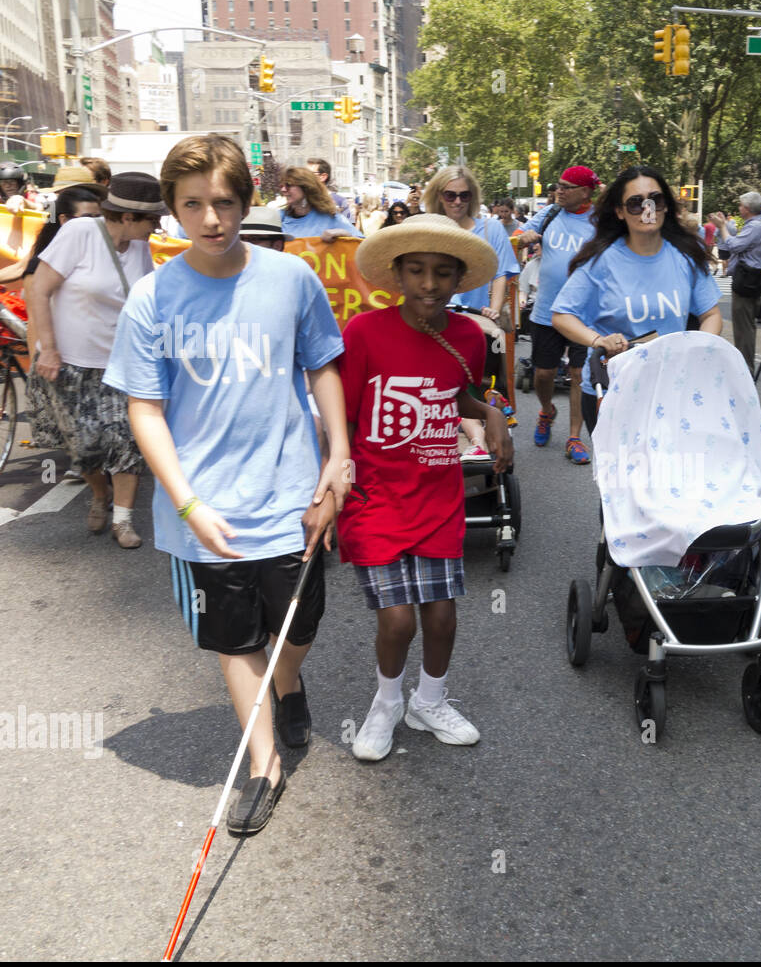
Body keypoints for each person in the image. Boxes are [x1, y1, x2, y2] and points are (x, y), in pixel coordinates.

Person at [104, 134, 351, 835]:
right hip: (205, 512)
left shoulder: (292, 279)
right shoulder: (152, 298)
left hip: (292, 495)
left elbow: (323, 365)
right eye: (191, 204)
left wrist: (339, 455)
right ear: (170, 210)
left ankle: (291, 680)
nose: (209, 218)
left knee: (299, 623)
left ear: (246, 200)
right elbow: (144, 408)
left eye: (222, 201)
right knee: (235, 638)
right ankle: (264, 762)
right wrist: (183, 501)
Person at [340, 215, 512, 761]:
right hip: (376, 496)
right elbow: (341, 416)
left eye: (442, 273)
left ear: (461, 278)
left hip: (438, 493)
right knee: (396, 619)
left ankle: (429, 700)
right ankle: (387, 701)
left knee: (441, 614)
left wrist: (490, 413)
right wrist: (331, 485)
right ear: (397, 275)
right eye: (416, 271)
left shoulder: (467, 335)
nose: (429, 284)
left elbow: (454, 395)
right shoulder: (363, 333)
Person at [26, 172, 162, 548]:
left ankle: (123, 520)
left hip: (122, 365)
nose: (158, 226)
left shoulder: (140, 248)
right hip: (70, 363)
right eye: (152, 218)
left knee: (126, 443)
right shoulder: (80, 234)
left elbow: (146, 303)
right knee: (85, 449)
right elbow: (39, 289)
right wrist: (49, 349)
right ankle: (99, 494)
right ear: (128, 217)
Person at [551, 165, 722, 435]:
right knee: (625, 476)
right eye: (635, 203)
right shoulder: (601, 261)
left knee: (669, 473)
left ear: (666, 206)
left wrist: (698, 349)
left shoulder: (686, 257)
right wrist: (599, 341)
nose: (648, 209)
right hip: (612, 389)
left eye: (656, 200)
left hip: (672, 387)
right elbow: (561, 316)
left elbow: (710, 315)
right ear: (619, 212)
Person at [515, 165, 600, 463]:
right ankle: (546, 410)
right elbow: (524, 233)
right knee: (543, 374)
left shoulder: (600, 222)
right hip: (547, 311)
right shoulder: (550, 213)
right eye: (558, 185)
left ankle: (575, 437)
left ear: (585, 192)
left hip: (583, 312)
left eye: (566, 187)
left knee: (579, 374)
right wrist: (524, 237)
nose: (559, 191)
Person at [423, 165, 518, 329]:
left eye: (464, 195)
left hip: (479, 323)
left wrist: (492, 314)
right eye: (450, 195)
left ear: (472, 197)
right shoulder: (428, 231)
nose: (457, 202)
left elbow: (500, 275)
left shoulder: (492, 229)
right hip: (436, 324)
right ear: (439, 196)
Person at [709, 191, 761, 372]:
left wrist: (722, 228)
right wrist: (725, 226)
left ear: (748, 208)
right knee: (746, 326)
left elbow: (734, 245)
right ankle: (744, 366)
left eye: (741, 205)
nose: (739, 208)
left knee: (743, 328)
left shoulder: (755, 226)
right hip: (752, 279)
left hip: (747, 281)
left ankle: (744, 369)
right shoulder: (758, 225)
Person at [279, 166, 363, 241]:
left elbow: (361, 243)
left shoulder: (331, 217)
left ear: (306, 188)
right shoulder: (279, 217)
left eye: (288, 185)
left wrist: (345, 234)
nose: (283, 189)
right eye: (281, 186)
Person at [307, 157, 354, 223]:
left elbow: (351, 229)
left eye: (309, 173)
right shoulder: (301, 199)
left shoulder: (340, 201)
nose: (305, 176)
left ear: (323, 177)